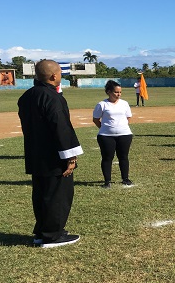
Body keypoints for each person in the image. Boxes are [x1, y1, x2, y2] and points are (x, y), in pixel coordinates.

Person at [18, 59, 83, 247]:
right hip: (53, 156)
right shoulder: (52, 97)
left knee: (42, 195)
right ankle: (53, 236)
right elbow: (61, 127)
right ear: (54, 76)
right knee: (58, 196)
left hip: (35, 153)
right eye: (60, 74)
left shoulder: (27, 96)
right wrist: (70, 156)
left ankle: (42, 231)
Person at [93, 80, 134, 188]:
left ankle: (125, 178)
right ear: (109, 92)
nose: (118, 94)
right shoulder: (102, 104)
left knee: (123, 157)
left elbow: (128, 117)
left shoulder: (124, 103)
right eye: (116, 92)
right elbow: (96, 119)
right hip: (106, 136)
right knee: (107, 158)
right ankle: (107, 181)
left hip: (125, 135)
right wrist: (105, 128)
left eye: (120, 92)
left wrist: (121, 127)